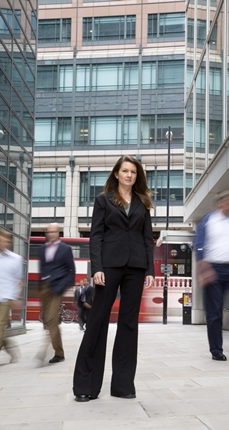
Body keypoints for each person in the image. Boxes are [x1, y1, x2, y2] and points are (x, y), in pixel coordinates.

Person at [73, 155, 155, 402]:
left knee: (129, 324)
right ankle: (86, 386)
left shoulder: (142, 203)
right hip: (108, 267)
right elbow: (96, 236)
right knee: (97, 320)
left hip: (136, 267)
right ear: (117, 174)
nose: (129, 175)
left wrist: (149, 270)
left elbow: (146, 239)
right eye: (125, 171)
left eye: (133, 172)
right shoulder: (103, 201)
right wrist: (96, 267)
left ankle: (122, 385)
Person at [194, 190, 229, 361]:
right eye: (227, 202)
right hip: (213, 270)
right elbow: (199, 245)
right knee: (214, 313)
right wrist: (203, 270)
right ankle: (216, 350)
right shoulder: (208, 221)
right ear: (219, 204)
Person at [37, 223, 75, 364]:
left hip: (57, 287)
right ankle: (57, 350)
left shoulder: (65, 249)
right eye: (49, 232)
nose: (51, 234)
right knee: (47, 320)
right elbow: (42, 269)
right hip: (45, 288)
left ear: (58, 232)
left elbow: (72, 271)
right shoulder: (42, 249)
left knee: (52, 319)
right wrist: (40, 287)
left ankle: (58, 353)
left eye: (54, 231)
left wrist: (63, 286)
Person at [0, 228, 23, 369]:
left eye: (5, 241)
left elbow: (19, 280)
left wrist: (17, 298)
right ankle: (11, 348)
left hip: (6, 298)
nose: (2, 243)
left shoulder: (16, 259)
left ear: (9, 242)